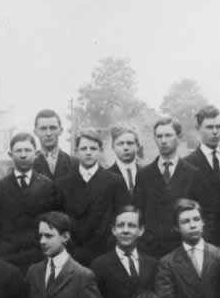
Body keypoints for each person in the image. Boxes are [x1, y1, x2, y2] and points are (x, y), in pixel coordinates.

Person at [18, 212, 109, 298]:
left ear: (65, 237)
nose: (42, 241)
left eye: (48, 236)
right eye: (40, 236)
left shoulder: (82, 275)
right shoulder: (34, 271)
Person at [133, 117, 214, 258]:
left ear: (179, 137)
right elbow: (138, 213)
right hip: (151, 251)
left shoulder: (193, 174)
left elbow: (206, 213)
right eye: (159, 136)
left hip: (185, 250)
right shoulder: (143, 175)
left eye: (168, 135)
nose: (163, 141)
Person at [0, 131, 61, 273]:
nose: (23, 155)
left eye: (27, 150)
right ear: (10, 154)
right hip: (8, 258)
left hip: (39, 256)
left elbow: (53, 222)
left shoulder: (47, 185)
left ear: (36, 153)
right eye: (18, 150)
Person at [57, 128, 129, 266]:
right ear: (76, 151)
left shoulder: (115, 181)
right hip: (72, 255)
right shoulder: (63, 184)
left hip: (105, 254)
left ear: (100, 150)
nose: (88, 152)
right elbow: (60, 222)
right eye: (83, 148)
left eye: (93, 148)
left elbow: (121, 217)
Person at [90, 206, 159, 298]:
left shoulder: (152, 264)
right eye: (120, 225)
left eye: (132, 226)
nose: (125, 230)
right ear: (113, 230)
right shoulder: (100, 265)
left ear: (141, 230)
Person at [184, 105, 220, 246]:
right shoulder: (186, 166)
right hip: (202, 242)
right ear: (198, 129)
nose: (215, 132)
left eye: (218, 126)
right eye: (210, 127)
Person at [32, 108, 74, 180]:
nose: (48, 133)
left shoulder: (74, 164)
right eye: (43, 128)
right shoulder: (29, 165)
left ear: (60, 130)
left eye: (53, 128)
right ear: (35, 132)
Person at [106, 124, 142, 196]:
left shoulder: (147, 174)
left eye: (130, 143)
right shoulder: (105, 177)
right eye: (120, 144)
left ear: (137, 146)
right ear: (113, 147)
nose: (125, 148)